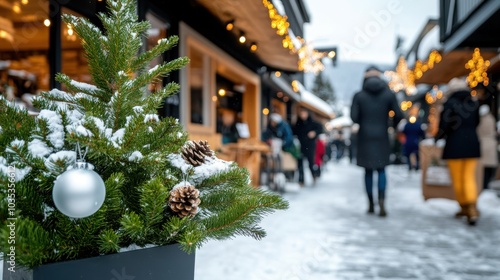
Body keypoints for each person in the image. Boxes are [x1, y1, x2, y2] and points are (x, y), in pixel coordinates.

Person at [350, 66, 403, 216]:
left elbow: (354, 117)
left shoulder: (359, 95)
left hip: (365, 137)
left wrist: (364, 119)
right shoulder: (388, 94)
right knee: (381, 170)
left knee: (367, 171)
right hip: (382, 136)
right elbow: (399, 114)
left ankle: (370, 204)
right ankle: (382, 201)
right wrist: (390, 126)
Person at [435, 77, 481, 226]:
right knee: (469, 177)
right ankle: (471, 207)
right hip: (472, 143)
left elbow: (445, 124)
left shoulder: (449, 103)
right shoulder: (473, 103)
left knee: (458, 177)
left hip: (454, 144)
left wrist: (438, 137)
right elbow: (477, 122)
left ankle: (465, 206)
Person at [293, 108, 323, 185]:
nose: (303, 115)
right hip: (300, 145)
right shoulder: (298, 123)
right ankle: (301, 180)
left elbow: (320, 128)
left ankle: (313, 175)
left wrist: (314, 133)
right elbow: (294, 131)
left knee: (311, 162)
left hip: (310, 145)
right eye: (301, 114)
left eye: (304, 113)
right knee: (300, 164)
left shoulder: (312, 122)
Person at [477, 103, 498, 191]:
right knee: (489, 168)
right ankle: (487, 185)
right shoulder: (492, 119)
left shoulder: (479, 120)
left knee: (483, 169)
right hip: (491, 144)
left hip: (482, 144)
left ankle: (484, 186)